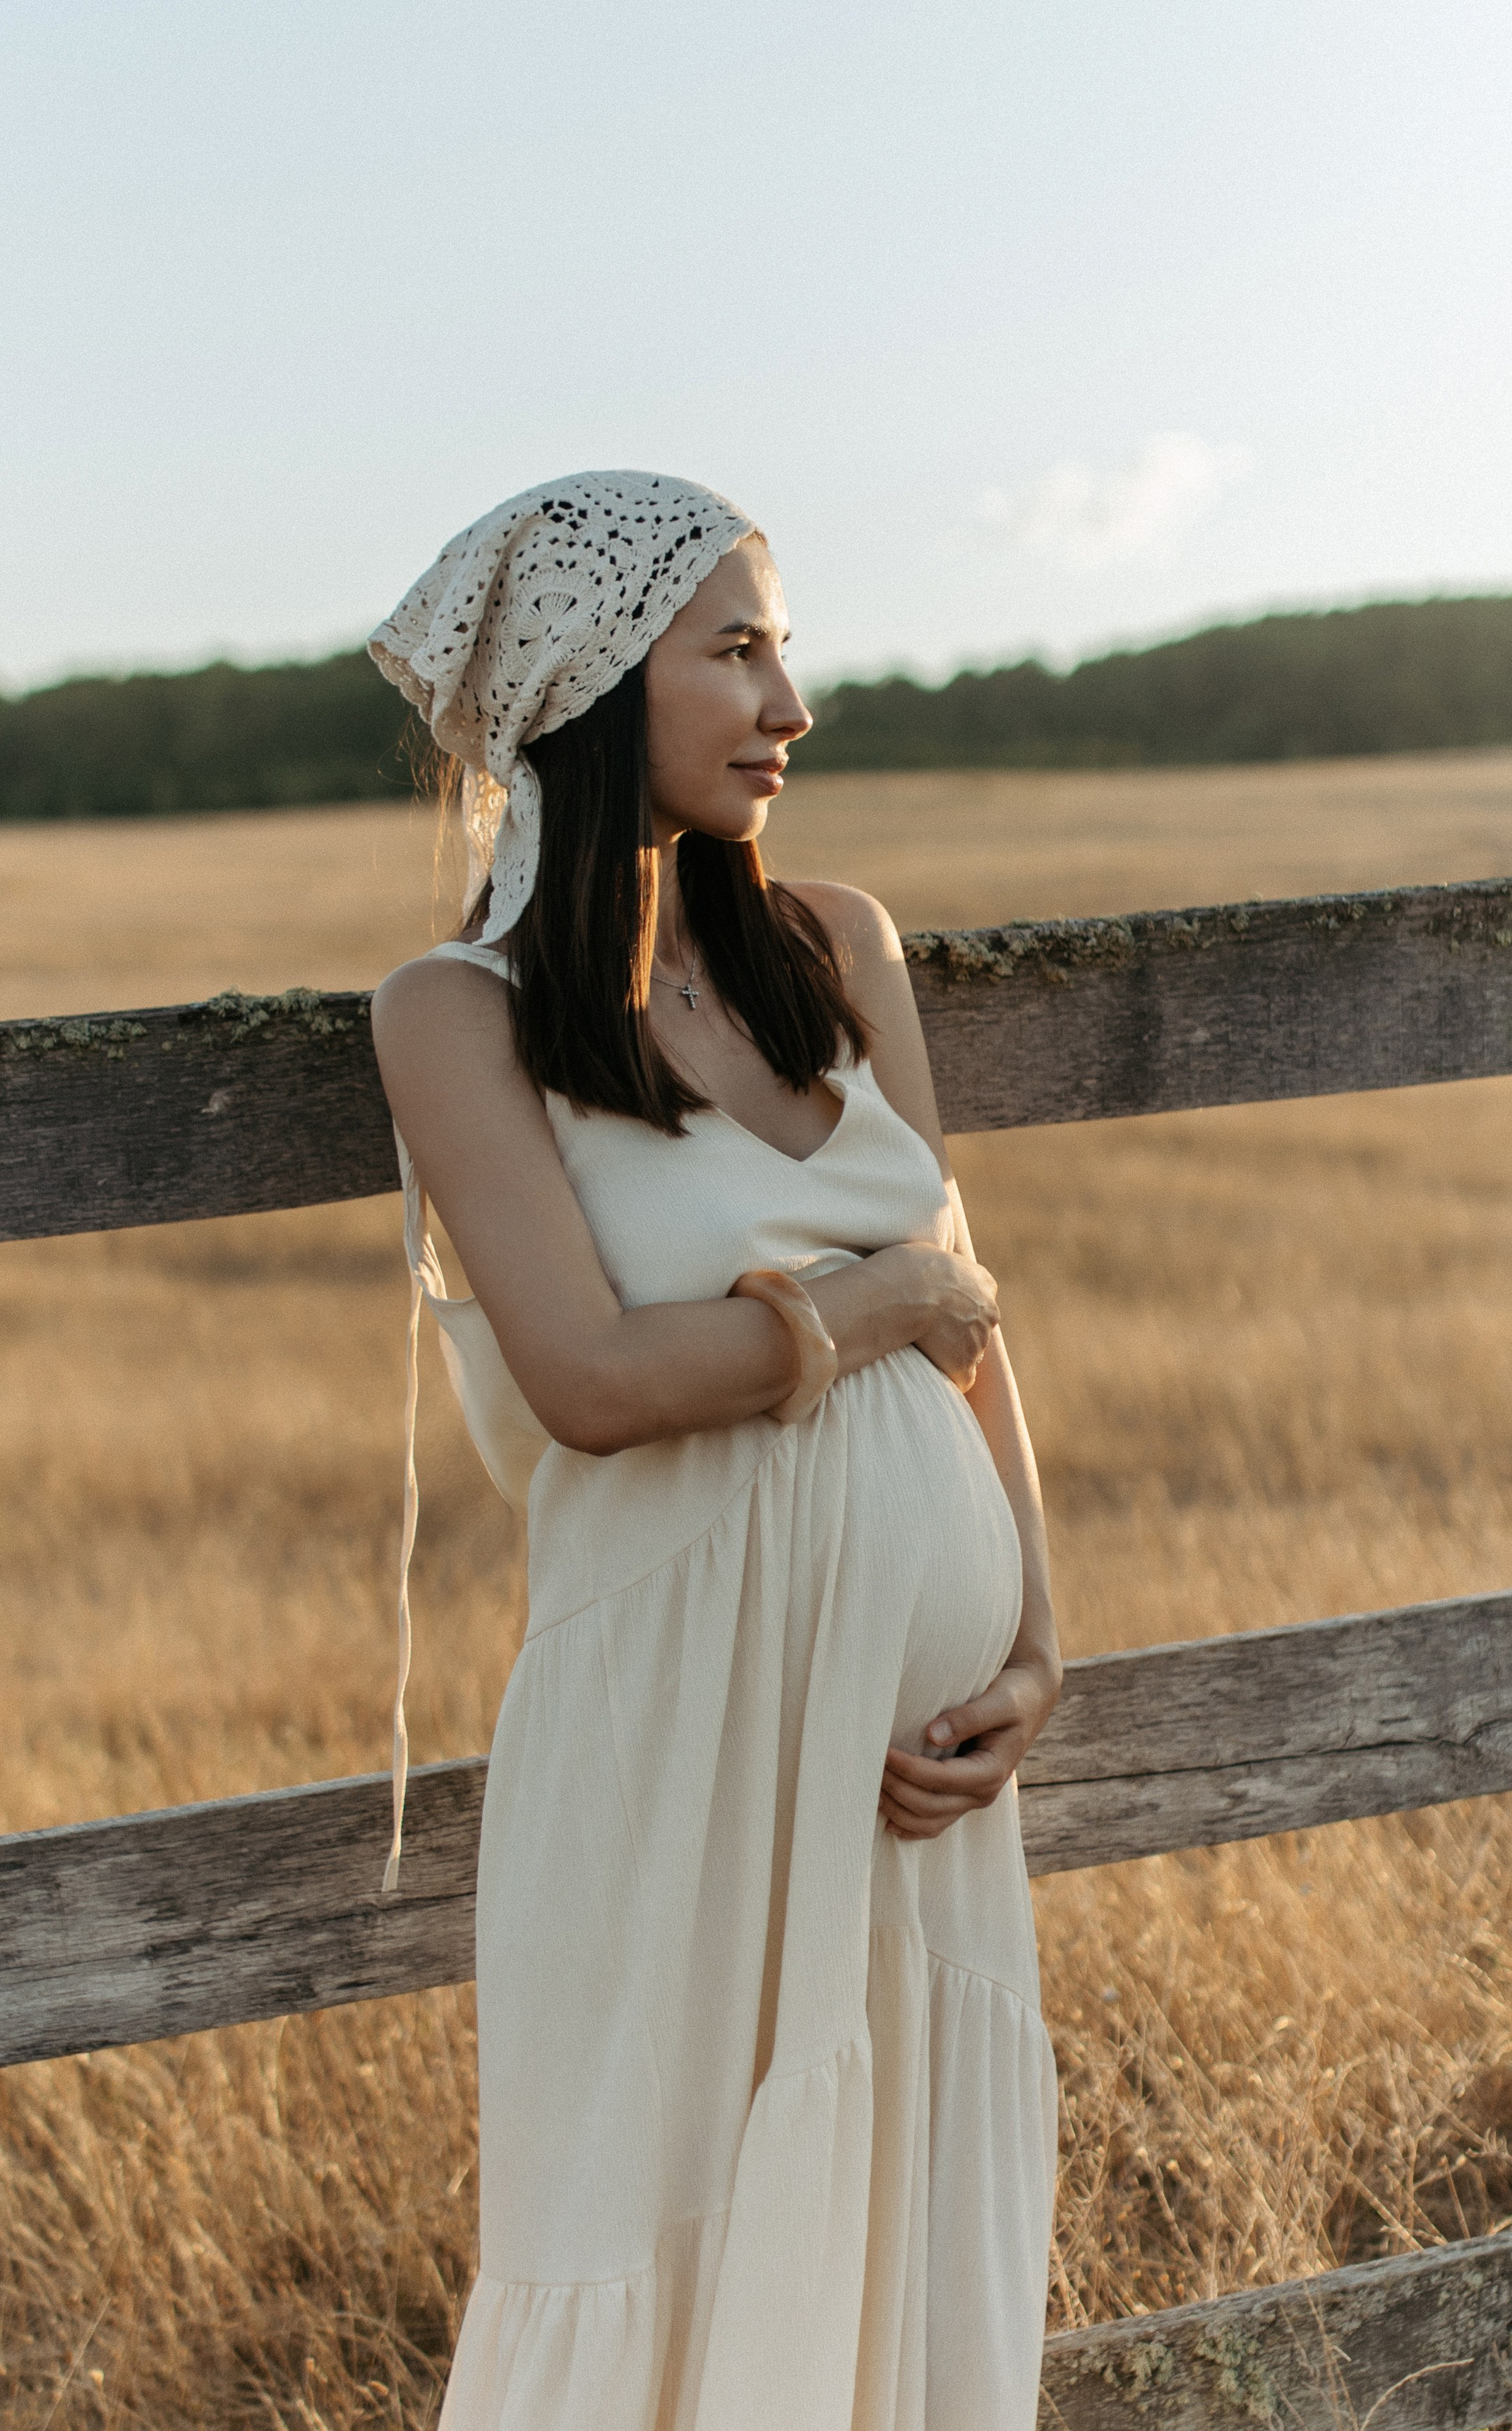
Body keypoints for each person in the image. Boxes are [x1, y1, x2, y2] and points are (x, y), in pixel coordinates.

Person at [368, 472, 1062, 2431]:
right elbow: (588, 1375)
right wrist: (867, 1314)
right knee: (645, 2233)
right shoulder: (459, 1015)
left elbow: (979, 1323)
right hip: (671, 1728)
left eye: (785, 645)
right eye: (737, 648)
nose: (790, 703)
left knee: (894, 2241)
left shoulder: (838, 946)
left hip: (904, 1770)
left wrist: (1035, 1646)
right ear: (593, 690)